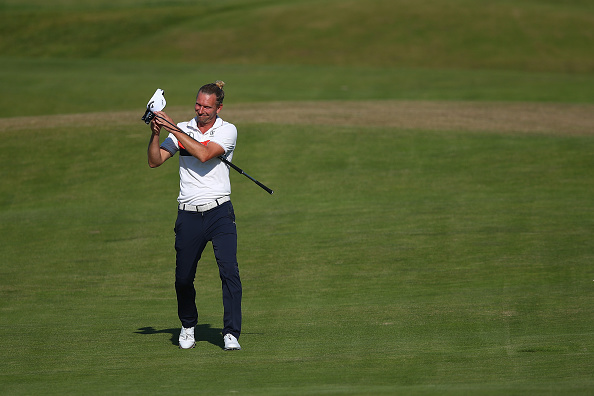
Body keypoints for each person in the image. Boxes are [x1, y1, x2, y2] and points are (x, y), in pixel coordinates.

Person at [147, 81, 242, 351]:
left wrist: (172, 128)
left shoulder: (228, 130)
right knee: (183, 278)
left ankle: (230, 332)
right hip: (188, 215)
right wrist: (156, 134)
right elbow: (155, 160)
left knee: (229, 271)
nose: (200, 110)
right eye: (198, 104)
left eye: (207, 107)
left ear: (219, 108)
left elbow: (203, 154)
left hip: (220, 211)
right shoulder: (183, 129)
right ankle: (188, 325)